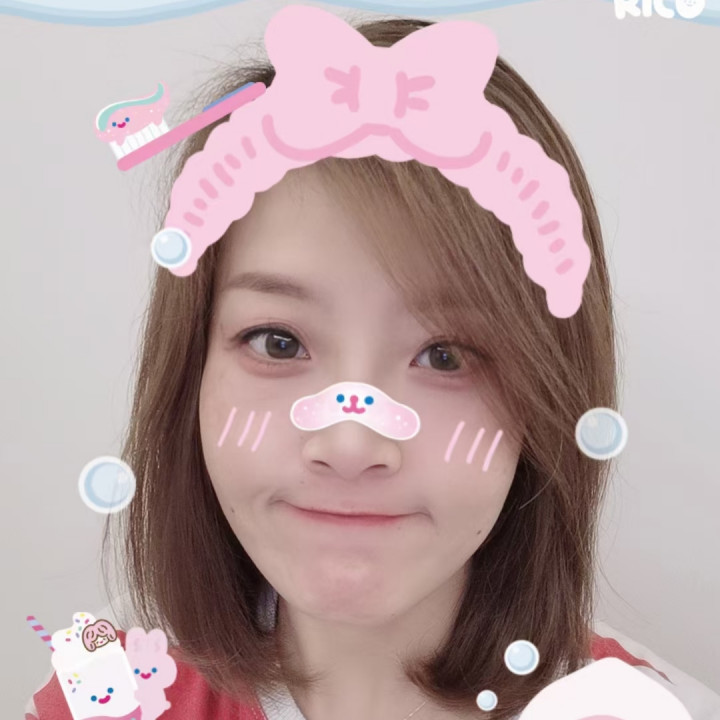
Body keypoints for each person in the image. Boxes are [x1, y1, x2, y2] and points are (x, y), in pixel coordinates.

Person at [26, 8, 720, 720]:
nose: (351, 445)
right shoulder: (106, 690)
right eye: (278, 342)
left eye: (446, 356)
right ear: (191, 373)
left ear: (548, 401)